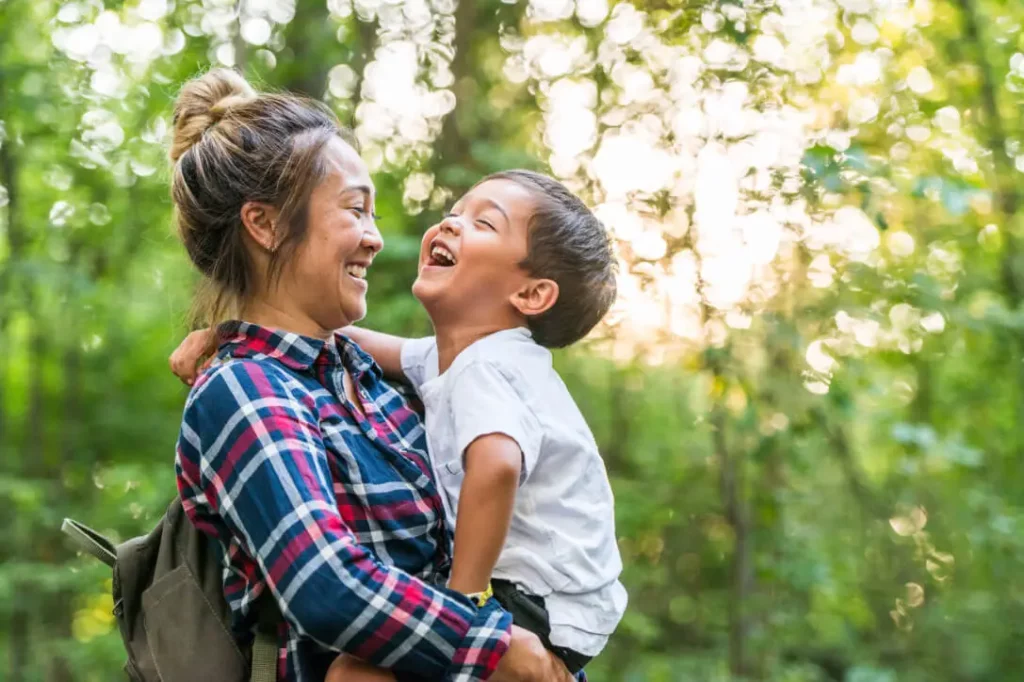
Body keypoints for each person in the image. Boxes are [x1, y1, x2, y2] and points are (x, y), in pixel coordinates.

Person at [167, 67, 572, 682]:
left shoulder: (373, 380)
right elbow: (328, 585)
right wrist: (503, 651)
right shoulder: (244, 389)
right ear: (266, 225)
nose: (376, 239)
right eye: (355, 210)